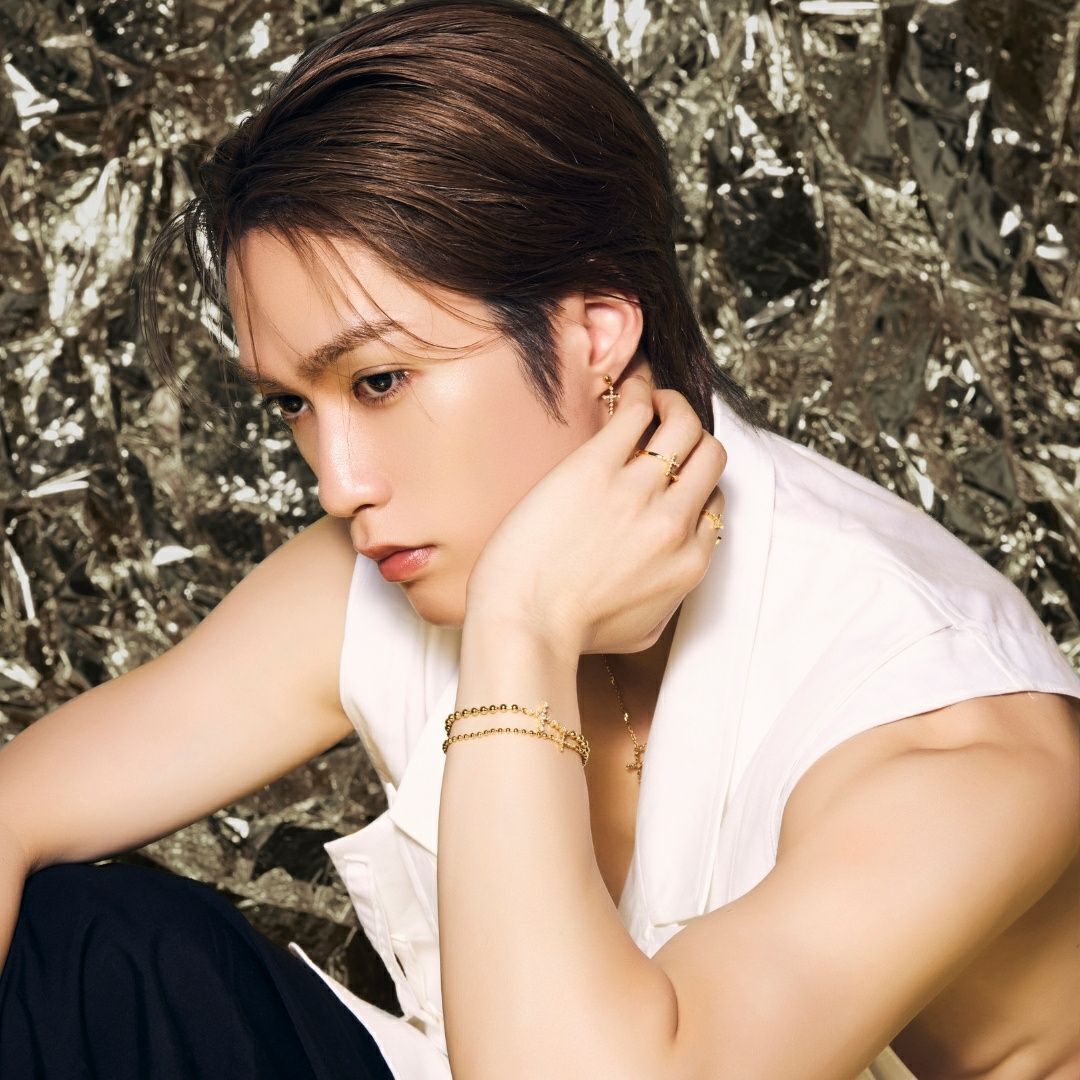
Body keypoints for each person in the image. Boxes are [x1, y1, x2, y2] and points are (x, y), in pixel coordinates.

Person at [1, 1, 1077, 1078]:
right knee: (90, 953)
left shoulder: (956, 736)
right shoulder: (403, 558)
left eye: (380, 381)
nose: (337, 483)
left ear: (594, 331)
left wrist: (522, 628)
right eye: (294, 403)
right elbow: (18, 805)